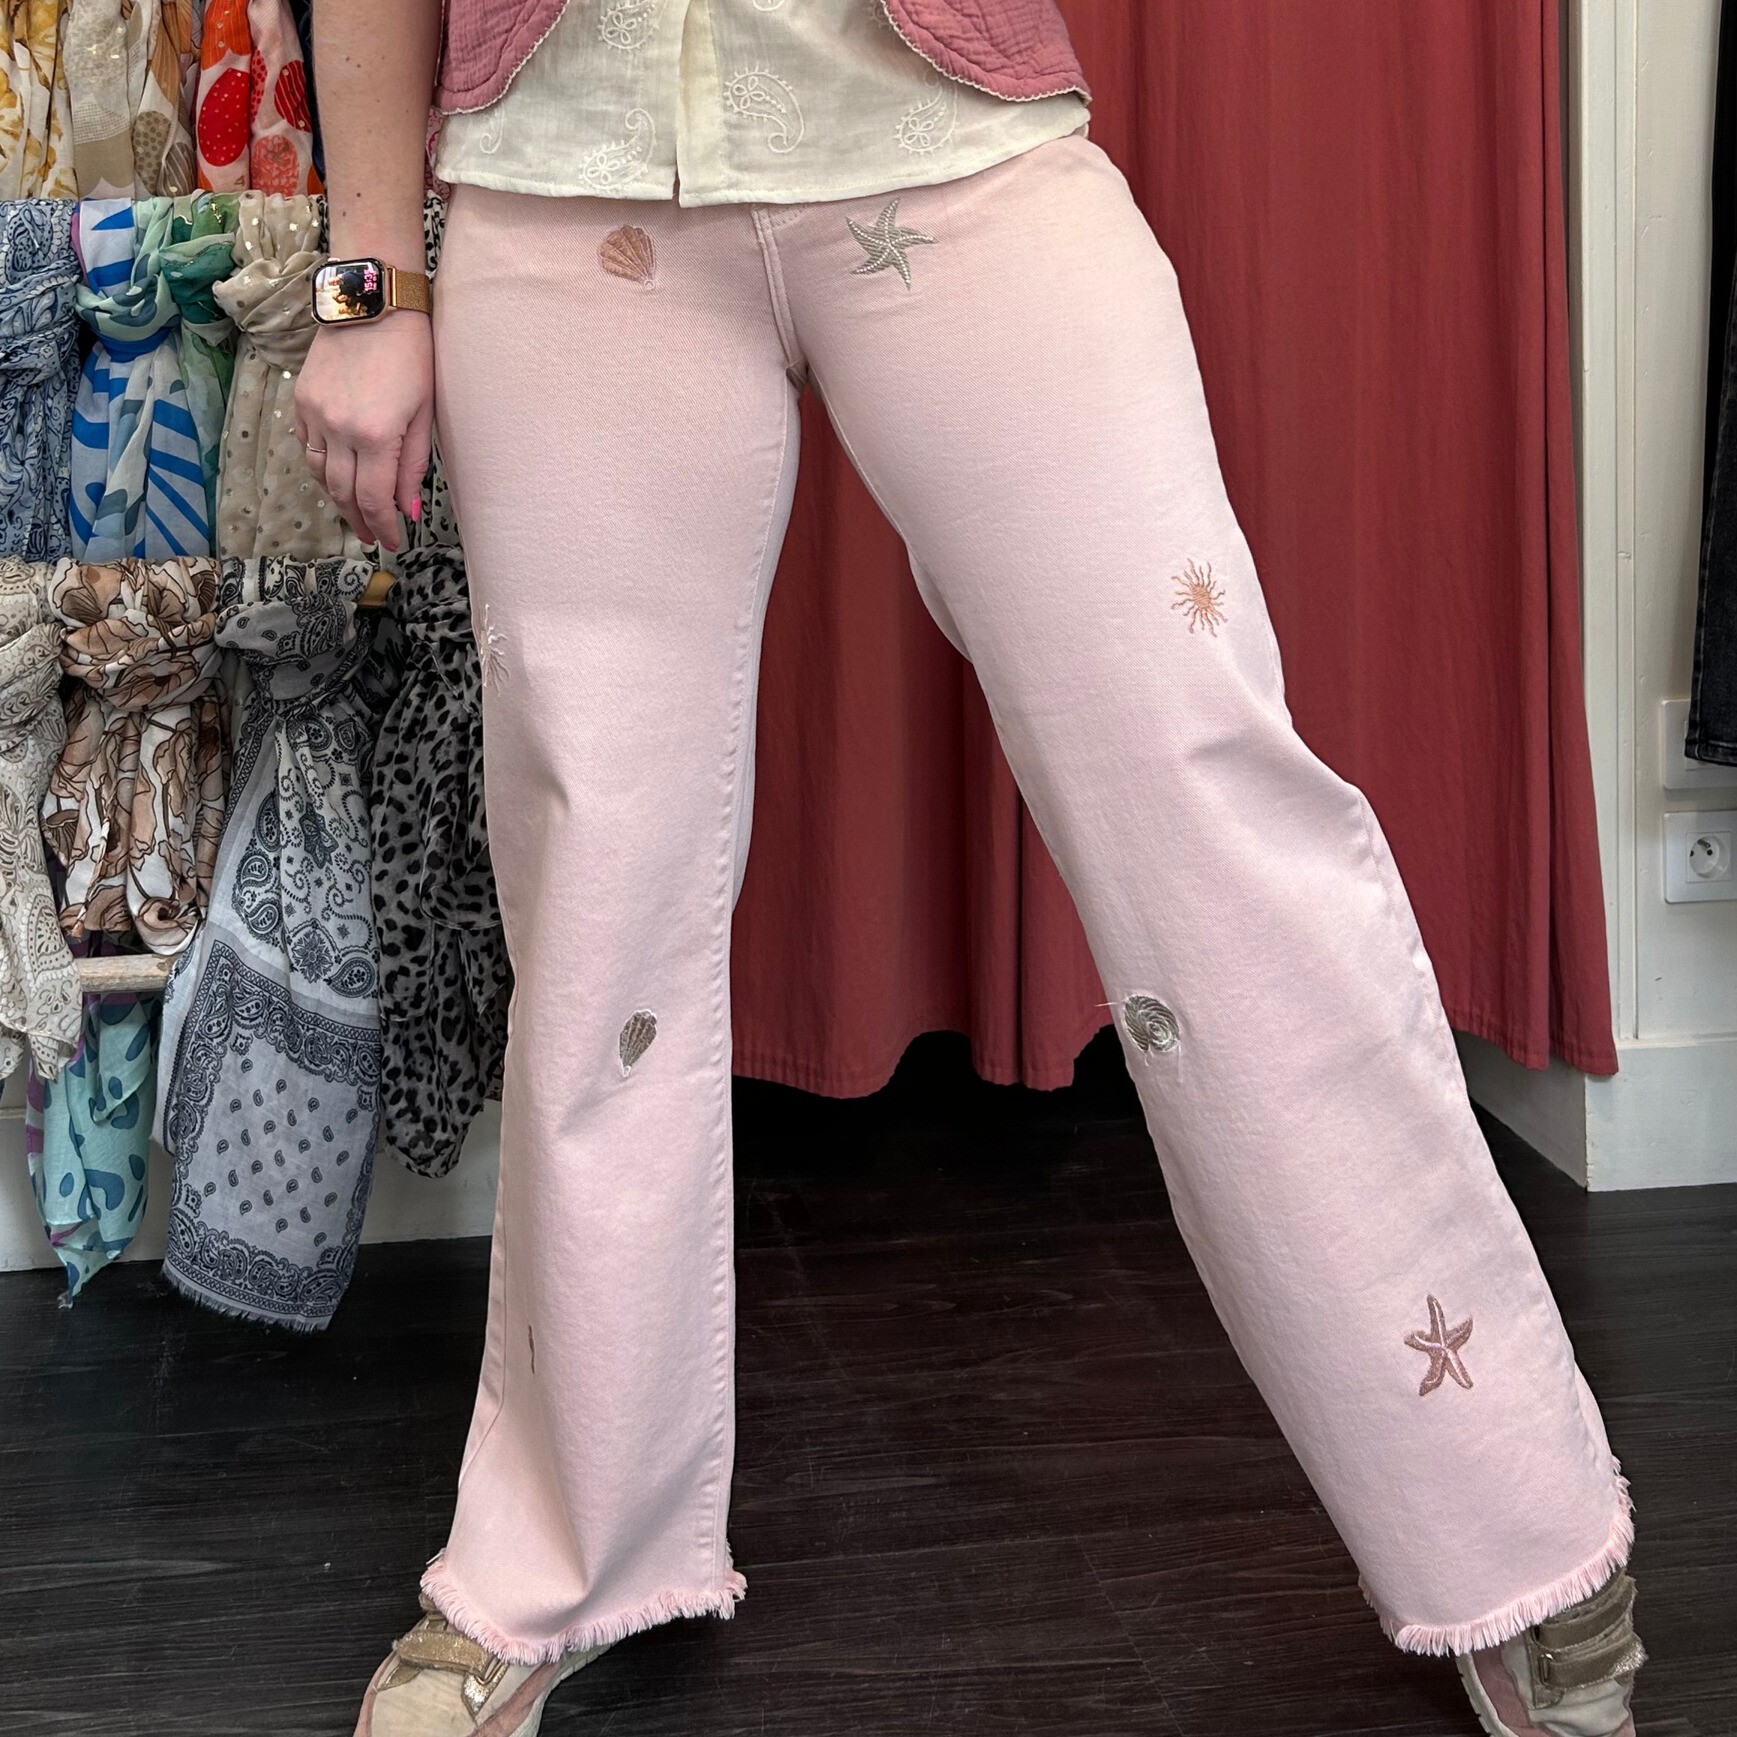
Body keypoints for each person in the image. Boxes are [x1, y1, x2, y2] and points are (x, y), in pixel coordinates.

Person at [297, 4, 1647, 1734]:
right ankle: (554, 1557)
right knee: (594, 899)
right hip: (565, 188)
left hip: (948, 145)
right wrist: (369, 292)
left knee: (1205, 812)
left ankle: (1516, 1526)